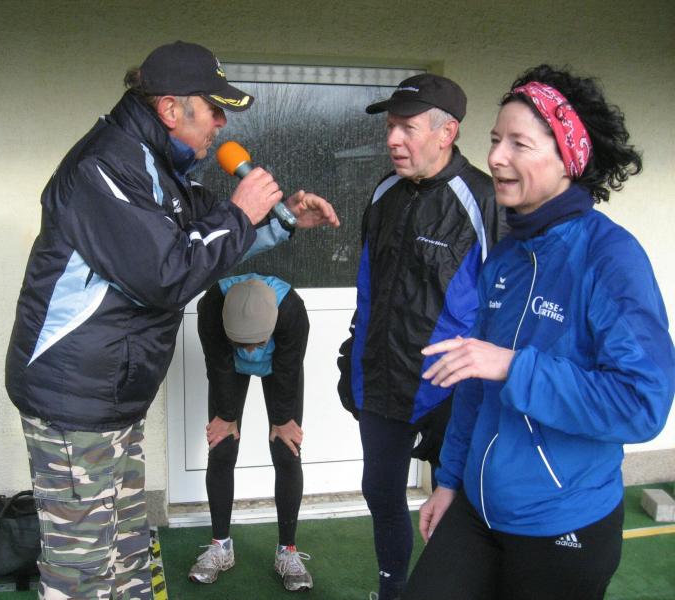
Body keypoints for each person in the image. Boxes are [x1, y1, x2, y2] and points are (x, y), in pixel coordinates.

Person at [5, 41, 338, 600]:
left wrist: (280, 219)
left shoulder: (157, 167)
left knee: (126, 554)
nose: (222, 123)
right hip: (73, 400)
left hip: (112, 394)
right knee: (81, 573)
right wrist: (240, 211)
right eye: (214, 109)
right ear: (169, 109)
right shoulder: (102, 167)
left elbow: (208, 240)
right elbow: (167, 274)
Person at [403, 65, 675, 600]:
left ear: (568, 158)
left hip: (562, 524)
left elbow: (641, 404)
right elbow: (473, 386)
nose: (496, 157)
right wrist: (449, 480)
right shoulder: (506, 256)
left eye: (519, 143)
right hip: (477, 509)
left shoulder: (610, 258)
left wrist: (513, 366)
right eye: (494, 140)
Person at [336, 73, 505, 600]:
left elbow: (504, 304)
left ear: (446, 132)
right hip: (383, 380)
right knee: (380, 492)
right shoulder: (384, 191)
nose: (392, 139)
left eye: (407, 128)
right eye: (390, 126)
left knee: (456, 505)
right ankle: (393, 590)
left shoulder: (484, 199)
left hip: (451, 391)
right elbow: (369, 284)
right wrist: (353, 352)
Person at [187, 274, 313, 591]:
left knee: (287, 450)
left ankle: (287, 551)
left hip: (280, 367)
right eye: (243, 345)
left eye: (257, 345)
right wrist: (226, 416)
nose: (252, 353)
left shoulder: (292, 310)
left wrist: (283, 420)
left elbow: (289, 365)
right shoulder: (212, 307)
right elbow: (217, 361)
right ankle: (221, 546)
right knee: (222, 446)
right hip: (227, 366)